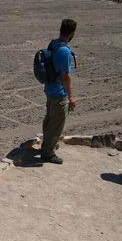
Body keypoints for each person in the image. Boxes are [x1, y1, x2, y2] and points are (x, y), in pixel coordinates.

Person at [40, 18, 77, 164]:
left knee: (49, 119)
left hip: (49, 89)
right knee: (56, 124)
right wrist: (71, 97)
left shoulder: (53, 44)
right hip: (58, 92)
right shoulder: (64, 51)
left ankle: (46, 146)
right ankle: (48, 153)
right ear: (72, 33)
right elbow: (65, 77)